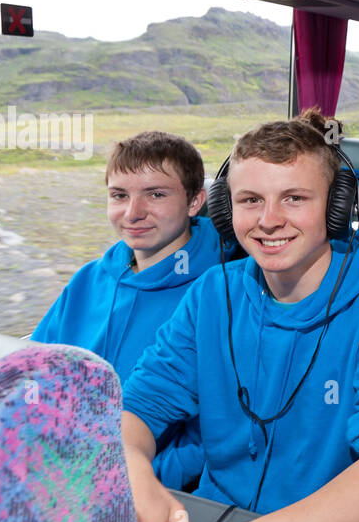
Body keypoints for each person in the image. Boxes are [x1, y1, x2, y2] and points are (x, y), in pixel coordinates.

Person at [121, 112, 359, 522]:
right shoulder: (214, 294)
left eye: (294, 198)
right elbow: (140, 405)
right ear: (228, 212)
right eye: (251, 200)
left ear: (336, 210)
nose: (269, 221)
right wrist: (135, 471)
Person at [32, 130, 220, 491]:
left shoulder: (217, 293)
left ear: (195, 202)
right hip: (57, 467)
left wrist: (134, 479)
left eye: (156, 194)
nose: (133, 213)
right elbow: (36, 370)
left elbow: (210, 437)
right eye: (119, 195)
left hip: (143, 486)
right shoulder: (90, 278)